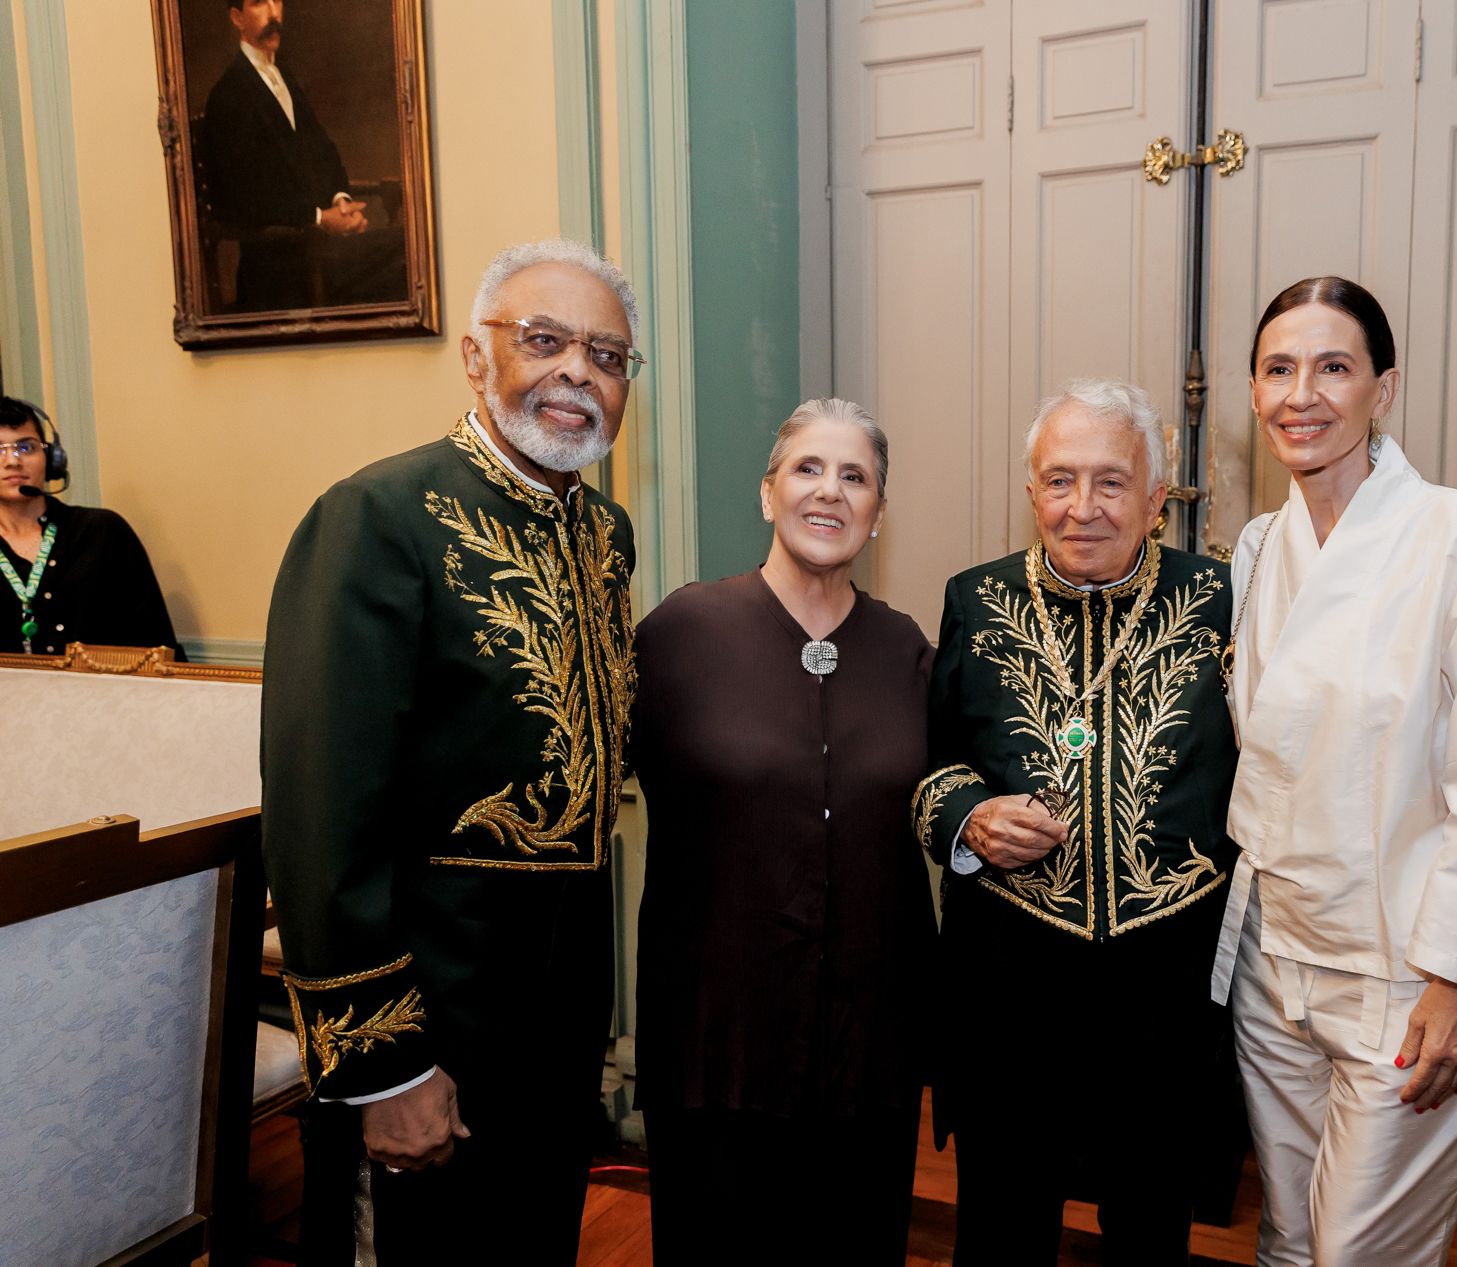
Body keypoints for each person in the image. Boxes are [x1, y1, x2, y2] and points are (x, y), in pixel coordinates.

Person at [260, 238, 642, 1264]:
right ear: (478, 359)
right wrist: (386, 1064)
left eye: (606, 356)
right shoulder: (376, 517)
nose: (577, 373)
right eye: (545, 340)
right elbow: (320, 810)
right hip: (434, 1008)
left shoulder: (604, 534)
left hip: (560, 1015)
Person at [1213, 276, 1457, 1266]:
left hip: (1407, 971)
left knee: (1364, 1251)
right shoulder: (1257, 547)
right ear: (1252, 390)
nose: (1300, 394)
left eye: (1332, 367)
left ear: (1382, 388)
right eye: (1278, 368)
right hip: (1273, 964)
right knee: (1286, 1233)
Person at [913, 378, 1239, 1266]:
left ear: (1156, 499)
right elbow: (930, 763)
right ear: (1031, 492)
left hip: (1164, 988)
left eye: (1110, 482)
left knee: (1150, 1226)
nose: (1082, 508)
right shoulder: (974, 601)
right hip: (1010, 982)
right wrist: (969, 816)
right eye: (1060, 481)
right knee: (1002, 1226)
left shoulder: (1224, 599)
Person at [632, 398, 935, 1264]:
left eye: (856, 476)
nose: (829, 492)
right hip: (716, 1041)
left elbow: (953, 798)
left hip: (867, 1049)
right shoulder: (682, 635)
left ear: (878, 512)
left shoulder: (907, 650)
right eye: (808, 468)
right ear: (768, 494)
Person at [200, 0, 405, 310]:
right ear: (237, 18)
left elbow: (324, 152)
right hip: (279, 270)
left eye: (277, 1)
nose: (274, 13)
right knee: (408, 253)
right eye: (259, 3)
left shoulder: (285, 78)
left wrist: (341, 201)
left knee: (413, 248)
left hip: (320, 254)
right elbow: (243, 199)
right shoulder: (228, 97)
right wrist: (321, 219)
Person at [0, 395, 183, 658]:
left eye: (26, 448)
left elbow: (156, 643)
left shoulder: (102, 531)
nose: (12, 461)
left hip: (103, 694)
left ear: (52, 458)